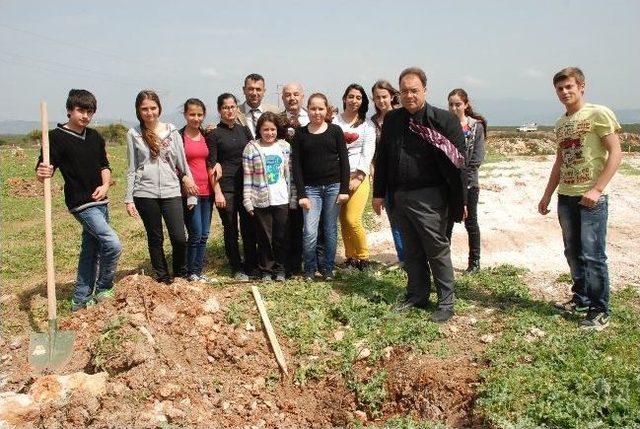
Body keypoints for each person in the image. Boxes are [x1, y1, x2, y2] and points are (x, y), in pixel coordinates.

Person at [372, 67, 466, 323]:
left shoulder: (444, 120)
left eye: (414, 91)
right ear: (398, 94)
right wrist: (378, 193)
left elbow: (459, 165)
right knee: (411, 250)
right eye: (404, 91)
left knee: (436, 249)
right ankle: (417, 294)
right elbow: (383, 159)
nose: (409, 96)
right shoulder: (392, 120)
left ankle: (446, 301)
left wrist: (461, 202)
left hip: (431, 197)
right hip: (400, 196)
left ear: (425, 89)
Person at [538, 67, 622, 330]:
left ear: (581, 87)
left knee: (593, 255)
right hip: (567, 195)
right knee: (572, 251)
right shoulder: (561, 123)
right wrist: (547, 194)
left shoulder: (599, 113)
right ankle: (582, 299)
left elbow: (616, 153)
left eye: (569, 87)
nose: (565, 92)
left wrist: (597, 189)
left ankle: (600, 309)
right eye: (560, 89)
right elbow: (560, 160)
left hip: (591, 199)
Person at [36, 89, 122, 311]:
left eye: (89, 112)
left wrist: (105, 186)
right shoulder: (55, 138)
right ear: (69, 110)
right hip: (81, 203)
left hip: (101, 201)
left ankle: (80, 299)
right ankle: (104, 288)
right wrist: (43, 171)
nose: (85, 116)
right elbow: (45, 169)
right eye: (81, 110)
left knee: (90, 250)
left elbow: (105, 166)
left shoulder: (94, 136)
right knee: (112, 243)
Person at [125, 90, 197, 284]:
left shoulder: (172, 131)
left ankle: (180, 274)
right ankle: (162, 277)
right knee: (155, 238)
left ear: (159, 109)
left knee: (179, 237)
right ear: (139, 111)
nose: (149, 113)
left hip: (171, 190)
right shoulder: (134, 134)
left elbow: (183, 164)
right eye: (144, 109)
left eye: (153, 108)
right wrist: (129, 198)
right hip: (144, 193)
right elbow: (132, 168)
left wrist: (191, 195)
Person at [292, 93, 350, 281]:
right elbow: (297, 167)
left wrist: (344, 190)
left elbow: (345, 163)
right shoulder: (300, 134)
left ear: (327, 110)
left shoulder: (335, 131)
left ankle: (327, 269)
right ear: (307, 110)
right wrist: (302, 193)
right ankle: (309, 268)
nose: (316, 112)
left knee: (330, 230)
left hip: (333, 187)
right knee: (309, 231)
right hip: (311, 190)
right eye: (313, 108)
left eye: (320, 108)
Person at [210, 93, 259, 280]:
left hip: (246, 186)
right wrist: (218, 192)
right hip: (227, 188)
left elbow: (254, 151)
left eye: (232, 107)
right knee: (230, 227)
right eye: (225, 107)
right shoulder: (214, 134)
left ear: (237, 108)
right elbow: (212, 164)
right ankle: (236, 267)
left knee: (249, 226)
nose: (229, 110)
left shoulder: (244, 130)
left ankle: (251, 264)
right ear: (219, 110)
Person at [242, 112, 291, 282]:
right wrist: (247, 200)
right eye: (265, 130)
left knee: (281, 237)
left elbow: (289, 175)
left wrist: (293, 197)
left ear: (277, 130)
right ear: (259, 130)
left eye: (273, 129)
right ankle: (266, 270)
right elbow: (247, 177)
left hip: (282, 198)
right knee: (264, 238)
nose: (269, 133)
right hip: (260, 199)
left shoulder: (284, 147)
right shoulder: (251, 148)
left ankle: (281, 269)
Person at [332, 84, 376, 270]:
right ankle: (350, 257)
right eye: (351, 96)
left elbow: (368, 153)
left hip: (358, 176)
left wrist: (358, 177)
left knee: (352, 219)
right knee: (343, 220)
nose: (354, 100)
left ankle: (363, 256)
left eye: (358, 97)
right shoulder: (334, 121)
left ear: (362, 101)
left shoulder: (367, 125)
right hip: (337, 176)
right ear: (344, 99)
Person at [178, 98, 220, 284]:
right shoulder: (178, 137)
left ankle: (198, 271)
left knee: (204, 234)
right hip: (190, 192)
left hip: (207, 191)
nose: (196, 118)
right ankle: (190, 272)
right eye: (192, 114)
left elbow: (211, 159)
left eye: (199, 114)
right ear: (185, 115)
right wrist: (184, 179)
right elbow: (175, 163)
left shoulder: (206, 135)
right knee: (195, 233)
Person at [446, 88, 486, 274]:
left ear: (466, 105)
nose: (454, 108)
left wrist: (462, 175)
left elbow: (477, 159)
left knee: (471, 222)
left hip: (469, 182)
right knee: (446, 223)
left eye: (458, 104)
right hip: (448, 182)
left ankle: (474, 262)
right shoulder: (444, 125)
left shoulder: (476, 127)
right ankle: (443, 261)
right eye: (451, 104)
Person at [371, 80, 404, 266]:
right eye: (377, 97)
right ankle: (403, 258)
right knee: (393, 219)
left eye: (384, 96)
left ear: (391, 96)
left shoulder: (402, 115)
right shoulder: (373, 122)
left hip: (404, 176)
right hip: (384, 177)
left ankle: (416, 257)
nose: (381, 100)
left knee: (408, 219)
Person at [236, 73, 279, 139]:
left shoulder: (275, 112)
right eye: (251, 89)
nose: (254, 93)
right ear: (244, 90)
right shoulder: (235, 113)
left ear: (264, 91)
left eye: (258, 89)